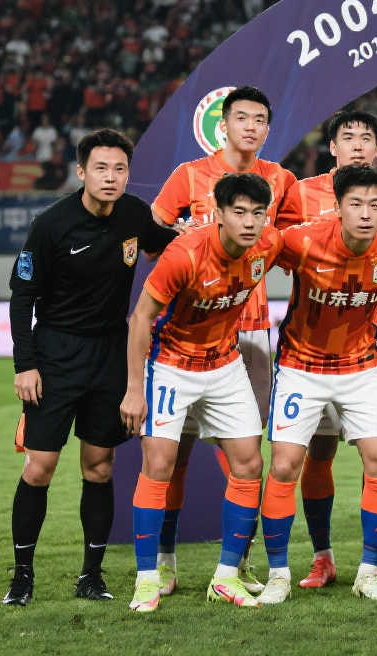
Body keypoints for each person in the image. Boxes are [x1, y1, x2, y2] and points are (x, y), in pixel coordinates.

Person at [4, 129, 177, 606]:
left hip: (110, 355)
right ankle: (22, 577)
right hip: (56, 355)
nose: (110, 177)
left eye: (119, 169)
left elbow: (169, 243)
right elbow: (21, 298)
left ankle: (91, 576)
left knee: (99, 467)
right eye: (101, 168)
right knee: (39, 467)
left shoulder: (134, 215)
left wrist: (206, 228)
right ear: (81, 172)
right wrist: (26, 365)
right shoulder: (51, 224)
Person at [151, 85, 297, 595]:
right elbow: (152, 236)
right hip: (188, 330)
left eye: (260, 120)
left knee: (245, 452)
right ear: (224, 124)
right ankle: (164, 561)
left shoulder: (281, 180)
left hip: (249, 331)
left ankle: (239, 561)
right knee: (177, 453)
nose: (250, 127)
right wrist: (182, 242)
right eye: (242, 118)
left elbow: (294, 243)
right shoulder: (188, 176)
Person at [257, 165, 377, 604]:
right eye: (356, 204)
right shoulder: (301, 240)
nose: (366, 213)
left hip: (361, 367)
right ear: (338, 206)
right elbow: (252, 247)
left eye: (375, 205)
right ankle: (278, 576)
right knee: (285, 465)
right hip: (301, 366)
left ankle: (368, 573)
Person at [120, 173, 281, 613]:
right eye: (239, 212)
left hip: (225, 364)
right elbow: (140, 318)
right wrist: (134, 389)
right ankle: (148, 578)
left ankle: (226, 577)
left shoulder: (268, 245)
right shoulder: (185, 254)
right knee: (160, 464)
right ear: (220, 215)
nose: (249, 222)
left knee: (249, 462)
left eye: (258, 213)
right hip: (171, 365)